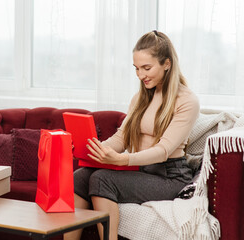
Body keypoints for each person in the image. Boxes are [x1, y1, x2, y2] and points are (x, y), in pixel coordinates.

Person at [64, 30, 200, 240]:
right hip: (142, 170)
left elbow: (163, 150)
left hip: (170, 176)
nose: (141, 75)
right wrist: (92, 149)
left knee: (102, 179)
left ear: (167, 63)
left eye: (147, 68)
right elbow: (121, 138)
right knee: (79, 177)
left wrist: (124, 159)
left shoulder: (187, 100)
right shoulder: (140, 98)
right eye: (136, 69)